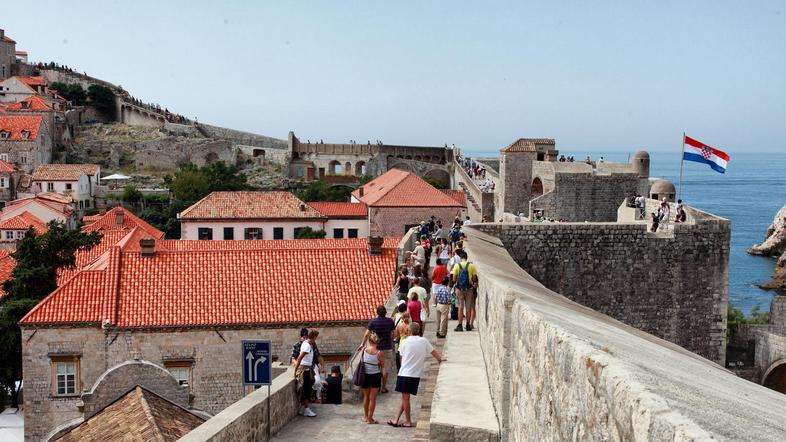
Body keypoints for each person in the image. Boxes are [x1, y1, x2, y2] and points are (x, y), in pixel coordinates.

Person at [388, 323, 445, 428]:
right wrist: (440, 360)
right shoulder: (424, 341)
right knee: (405, 398)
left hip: (405, 374)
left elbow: (401, 358)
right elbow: (433, 352)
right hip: (415, 375)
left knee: (405, 398)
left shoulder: (404, 342)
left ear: (409, 331)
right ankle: (396, 419)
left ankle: (408, 421)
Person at [361, 305, 396, 393]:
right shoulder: (390, 321)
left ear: (377, 312)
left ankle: (376, 386)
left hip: (376, 349)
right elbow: (394, 334)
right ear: (385, 312)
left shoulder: (373, 322)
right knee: (385, 369)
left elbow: (366, 334)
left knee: (376, 368)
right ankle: (383, 387)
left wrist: (363, 344)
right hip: (387, 348)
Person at [451, 249, 478, 332]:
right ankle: (468, 325)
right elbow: (474, 278)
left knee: (460, 307)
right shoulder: (471, 266)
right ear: (466, 257)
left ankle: (459, 325)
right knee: (468, 307)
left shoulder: (457, 265)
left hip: (459, 289)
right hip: (469, 289)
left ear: (461, 258)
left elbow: (454, 279)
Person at [294, 330, 320, 417]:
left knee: (308, 388)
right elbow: (299, 358)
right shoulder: (307, 346)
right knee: (306, 390)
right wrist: (295, 371)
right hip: (305, 370)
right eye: (316, 337)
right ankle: (306, 409)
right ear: (314, 337)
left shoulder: (306, 343)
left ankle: (303, 408)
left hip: (308, 369)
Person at [361, 332, 384, 424]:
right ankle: (370, 419)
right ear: (377, 341)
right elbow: (382, 367)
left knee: (366, 396)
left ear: (369, 341)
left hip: (365, 375)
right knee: (372, 398)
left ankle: (366, 416)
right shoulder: (380, 352)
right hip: (375, 375)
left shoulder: (364, 350)